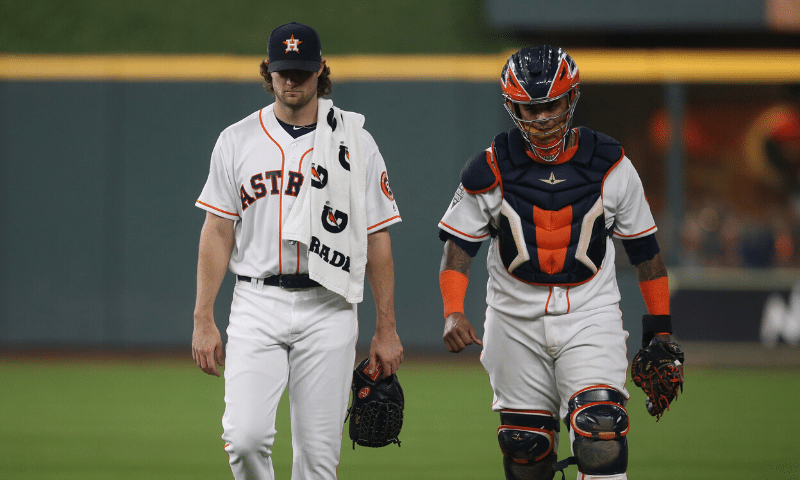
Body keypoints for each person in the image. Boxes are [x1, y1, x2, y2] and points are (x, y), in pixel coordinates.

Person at [436, 45, 681, 480]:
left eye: (551, 104)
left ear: (572, 98)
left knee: (601, 431)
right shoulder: (489, 168)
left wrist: (658, 331)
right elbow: (458, 248)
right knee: (525, 448)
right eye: (530, 108)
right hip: (513, 319)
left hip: (590, 312)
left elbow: (645, 251)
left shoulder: (611, 164)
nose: (542, 117)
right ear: (513, 108)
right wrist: (453, 310)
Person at [191, 21, 403, 480]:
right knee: (244, 440)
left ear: (321, 70)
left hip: (330, 303)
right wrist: (203, 317)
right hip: (256, 301)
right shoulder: (237, 140)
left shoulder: (355, 141)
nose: (292, 81)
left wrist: (385, 328)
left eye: (302, 72)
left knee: (318, 462)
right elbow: (217, 231)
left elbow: (377, 239)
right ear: (268, 71)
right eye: (283, 71)